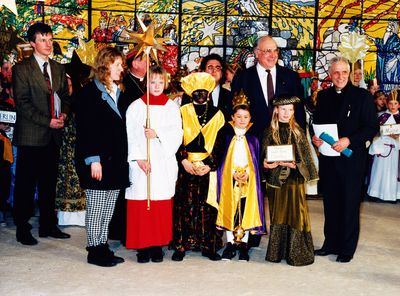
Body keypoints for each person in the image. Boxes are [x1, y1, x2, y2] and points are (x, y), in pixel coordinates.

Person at [312, 56, 378, 263]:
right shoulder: (323, 96)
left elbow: (371, 128)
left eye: (344, 72)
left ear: (349, 74)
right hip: (329, 160)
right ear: (330, 75)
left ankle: (347, 249)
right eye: (336, 73)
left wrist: (349, 140)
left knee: (349, 204)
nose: (340, 76)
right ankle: (330, 243)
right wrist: (316, 138)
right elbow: (317, 123)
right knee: (330, 203)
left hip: (351, 160)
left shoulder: (362, 97)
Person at [12, 22, 71, 245]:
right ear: (32, 43)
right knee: (26, 184)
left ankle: (48, 224)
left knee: (49, 183)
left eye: (50, 39)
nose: (48, 44)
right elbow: (23, 104)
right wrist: (49, 121)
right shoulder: (21, 69)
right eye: (43, 40)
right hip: (31, 136)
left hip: (53, 137)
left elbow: (65, 97)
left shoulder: (58, 68)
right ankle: (22, 227)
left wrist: (64, 114)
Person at [75, 47, 129, 267]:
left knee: (108, 208)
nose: (121, 69)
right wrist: (93, 159)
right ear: (105, 65)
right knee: (97, 207)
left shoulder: (119, 92)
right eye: (117, 64)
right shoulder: (89, 93)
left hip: (116, 160)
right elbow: (87, 130)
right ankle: (93, 250)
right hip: (97, 160)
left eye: (121, 65)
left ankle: (102, 244)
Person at [125, 65, 183, 263]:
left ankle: (157, 243)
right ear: (146, 82)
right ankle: (142, 245)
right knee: (142, 202)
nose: (157, 86)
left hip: (162, 161)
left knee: (160, 203)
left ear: (166, 83)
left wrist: (157, 133)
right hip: (143, 162)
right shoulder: (136, 107)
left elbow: (177, 133)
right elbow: (130, 135)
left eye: (160, 82)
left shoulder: (172, 107)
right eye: (153, 82)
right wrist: (139, 158)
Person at [171, 72, 225, 261]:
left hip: (207, 167)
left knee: (207, 206)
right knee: (184, 205)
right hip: (186, 166)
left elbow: (220, 142)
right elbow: (176, 138)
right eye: (196, 92)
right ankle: (181, 245)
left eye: (203, 92)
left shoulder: (218, 115)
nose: (200, 95)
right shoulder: (182, 112)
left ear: (209, 93)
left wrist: (210, 164)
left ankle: (208, 245)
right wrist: (183, 160)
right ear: (190, 93)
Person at [262, 95, 318, 266]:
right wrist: (266, 164)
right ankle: (276, 251)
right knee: (277, 214)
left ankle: (297, 252)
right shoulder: (269, 131)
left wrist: (295, 164)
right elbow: (262, 157)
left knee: (296, 214)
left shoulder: (298, 131)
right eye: (283, 109)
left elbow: (307, 158)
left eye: (290, 110)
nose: (287, 113)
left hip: (294, 180)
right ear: (276, 110)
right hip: (275, 181)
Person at [216, 92, 265, 261]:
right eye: (239, 116)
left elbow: (257, 159)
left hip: (247, 179)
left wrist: (248, 174)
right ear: (232, 117)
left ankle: (243, 243)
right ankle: (230, 243)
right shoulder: (226, 133)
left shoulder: (254, 136)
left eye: (246, 116)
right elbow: (221, 158)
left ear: (250, 117)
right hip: (230, 177)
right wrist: (231, 173)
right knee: (231, 209)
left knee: (245, 209)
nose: (242, 120)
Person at [108, 49, 147, 244]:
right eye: (145, 58)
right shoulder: (124, 85)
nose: (149, 62)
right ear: (135, 63)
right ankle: (120, 230)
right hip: (127, 141)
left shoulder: (150, 82)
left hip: (147, 141)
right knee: (126, 187)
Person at [231, 35, 305, 137]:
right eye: (268, 51)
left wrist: (301, 138)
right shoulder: (242, 78)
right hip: (253, 141)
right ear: (256, 53)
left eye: (275, 51)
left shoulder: (291, 77)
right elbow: (234, 111)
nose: (273, 55)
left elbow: (299, 111)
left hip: (285, 139)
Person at [55, 51, 91, 226]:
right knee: (65, 178)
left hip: (79, 144)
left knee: (78, 177)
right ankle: (65, 213)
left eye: (69, 81)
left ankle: (80, 214)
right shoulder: (64, 98)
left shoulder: (81, 97)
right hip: (65, 145)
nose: (66, 84)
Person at [367, 89, 400, 202]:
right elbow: (375, 131)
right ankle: (376, 193)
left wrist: (398, 137)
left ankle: (392, 195)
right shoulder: (381, 116)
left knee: (393, 172)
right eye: (390, 103)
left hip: (395, 150)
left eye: (395, 103)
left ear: (399, 104)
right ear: (387, 103)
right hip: (382, 148)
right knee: (379, 171)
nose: (393, 106)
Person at [182, 53, 233, 121]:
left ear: (222, 73)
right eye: (210, 67)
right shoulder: (190, 94)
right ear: (203, 71)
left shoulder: (229, 95)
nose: (214, 71)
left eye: (217, 68)